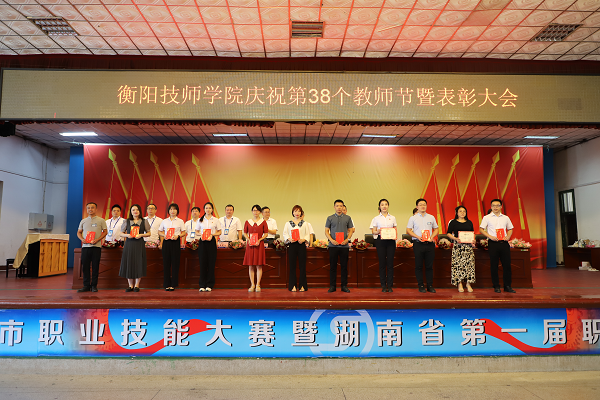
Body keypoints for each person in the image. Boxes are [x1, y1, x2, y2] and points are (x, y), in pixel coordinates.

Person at [480, 199, 516, 293]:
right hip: (493, 243)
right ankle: (496, 286)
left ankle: (507, 286)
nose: (495, 207)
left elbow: (510, 229)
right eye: (493, 205)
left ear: (501, 206)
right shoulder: (487, 217)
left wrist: (508, 236)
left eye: (497, 205)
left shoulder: (505, 218)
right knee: (494, 265)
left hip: (504, 243)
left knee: (507, 265)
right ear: (491, 207)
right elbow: (481, 229)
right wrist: (490, 236)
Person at [406, 198, 439, 293]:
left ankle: (430, 286)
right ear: (417, 207)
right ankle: (420, 285)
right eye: (420, 204)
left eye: (424, 204)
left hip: (429, 244)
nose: (422, 206)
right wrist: (417, 237)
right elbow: (408, 230)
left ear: (426, 206)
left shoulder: (431, 217)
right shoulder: (413, 218)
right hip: (418, 244)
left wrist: (432, 237)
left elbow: (436, 229)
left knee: (429, 266)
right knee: (419, 266)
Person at [119, 204, 151, 292]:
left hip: (139, 244)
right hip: (129, 244)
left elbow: (149, 233)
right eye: (133, 210)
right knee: (129, 263)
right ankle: (130, 285)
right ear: (131, 212)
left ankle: (137, 285)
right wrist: (127, 235)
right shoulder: (126, 221)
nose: (135, 211)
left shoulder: (144, 221)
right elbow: (121, 233)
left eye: (137, 209)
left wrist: (141, 235)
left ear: (140, 211)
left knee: (139, 263)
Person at [76, 202, 107, 292]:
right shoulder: (83, 221)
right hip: (85, 247)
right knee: (85, 267)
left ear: (96, 209)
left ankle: (94, 286)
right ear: (86, 209)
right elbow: (78, 232)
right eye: (88, 208)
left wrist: (98, 239)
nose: (90, 209)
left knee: (95, 267)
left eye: (92, 207)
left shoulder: (101, 220)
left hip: (96, 247)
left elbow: (105, 232)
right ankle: (86, 286)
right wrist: (82, 239)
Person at [325, 199, 354, 293]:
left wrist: (347, 240)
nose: (339, 208)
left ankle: (344, 286)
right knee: (333, 267)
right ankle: (332, 286)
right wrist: (332, 240)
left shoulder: (347, 218)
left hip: (344, 246)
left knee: (344, 266)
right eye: (337, 206)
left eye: (341, 206)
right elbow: (326, 231)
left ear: (343, 207)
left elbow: (351, 230)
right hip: (333, 246)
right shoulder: (330, 218)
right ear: (334, 207)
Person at [446, 205, 476, 293]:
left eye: (464, 211)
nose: (462, 213)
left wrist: (473, 240)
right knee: (458, 265)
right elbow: (448, 233)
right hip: (458, 246)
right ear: (457, 213)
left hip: (468, 247)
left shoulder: (469, 222)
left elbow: (472, 233)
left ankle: (468, 283)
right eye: (460, 211)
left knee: (469, 265)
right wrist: (455, 238)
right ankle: (459, 283)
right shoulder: (453, 222)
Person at [370, 199, 397, 292]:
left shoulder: (392, 218)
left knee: (390, 263)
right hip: (380, 241)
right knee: (382, 263)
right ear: (379, 207)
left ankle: (390, 285)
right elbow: (373, 231)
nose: (384, 206)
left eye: (386, 204)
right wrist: (378, 231)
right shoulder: (376, 218)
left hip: (391, 241)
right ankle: (383, 286)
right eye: (382, 205)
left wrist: (395, 235)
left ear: (388, 206)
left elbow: (395, 229)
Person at [158, 203, 186, 291]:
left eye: (174, 209)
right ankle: (166, 284)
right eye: (171, 209)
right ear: (168, 211)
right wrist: (164, 235)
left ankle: (173, 284)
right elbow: (159, 231)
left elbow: (184, 232)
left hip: (175, 242)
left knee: (175, 263)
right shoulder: (164, 221)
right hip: (166, 242)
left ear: (177, 211)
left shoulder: (180, 221)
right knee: (166, 263)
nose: (172, 211)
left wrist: (178, 236)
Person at [283, 205, 311, 292]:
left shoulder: (305, 223)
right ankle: (292, 286)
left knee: (302, 266)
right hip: (292, 245)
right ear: (292, 213)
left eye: (299, 211)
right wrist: (289, 239)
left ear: (301, 213)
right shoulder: (288, 223)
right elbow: (285, 233)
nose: (297, 213)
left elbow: (307, 234)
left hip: (301, 245)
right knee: (292, 266)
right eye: (295, 211)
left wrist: (304, 239)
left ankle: (302, 286)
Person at [195, 202, 222, 292]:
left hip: (211, 242)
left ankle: (209, 284)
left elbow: (219, 232)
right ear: (204, 209)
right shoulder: (200, 220)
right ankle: (202, 285)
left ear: (212, 209)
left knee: (211, 263)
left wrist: (212, 234)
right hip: (202, 242)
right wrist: (202, 235)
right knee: (202, 263)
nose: (208, 209)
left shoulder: (216, 220)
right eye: (206, 208)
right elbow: (196, 231)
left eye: (210, 208)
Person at [243, 204, 268, 292]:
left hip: (259, 245)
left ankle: (258, 284)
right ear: (252, 211)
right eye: (254, 210)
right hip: (250, 245)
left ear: (260, 212)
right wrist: (249, 239)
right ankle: (252, 284)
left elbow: (266, 233)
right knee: (251, 265)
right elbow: (245, 233)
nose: (255, 212)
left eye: (257, 210)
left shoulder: (263, 222)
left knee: (259, 265)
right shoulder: (248, 222)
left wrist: (259, 240)